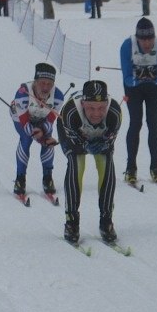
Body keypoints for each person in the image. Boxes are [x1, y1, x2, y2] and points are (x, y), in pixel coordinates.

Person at [57, 80, 123, 244]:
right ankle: (71, 222)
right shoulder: (71, 112)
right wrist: (86, 144)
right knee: (76, 164)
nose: (96, 113)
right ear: (83, 103)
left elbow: (110, 140)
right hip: (72, 132)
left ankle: (106, 220)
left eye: (101, 108)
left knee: (107, 164)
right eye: (91, 108)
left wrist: (104, 143)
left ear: (106, 104)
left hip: (99, 137)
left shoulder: (114, 112)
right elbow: (76, 143)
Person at [119, 17, 157, 185]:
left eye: (150, 39)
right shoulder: (127, 46)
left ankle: (155, 167)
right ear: (137, 38)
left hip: (154, 88)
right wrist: (141, 78)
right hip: (134, 89)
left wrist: (152, 77)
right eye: (143, 40)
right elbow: (127, 79)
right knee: (135, 123)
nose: (147, 43)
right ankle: (131, 168)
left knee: (153, 122)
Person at [10, 63, 65, 197]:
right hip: (21, 117)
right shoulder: (23, 93)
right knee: (26, 138)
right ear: (35, 82)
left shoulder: (58, 96)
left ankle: (47, 177)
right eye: (42, 83)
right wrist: (41, 138)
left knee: (48, 141)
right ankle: (20, 179)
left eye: (49, 84)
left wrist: (44, 137)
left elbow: (50, 121)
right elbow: (25, 125)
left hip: (41, 118)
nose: (46, 88)